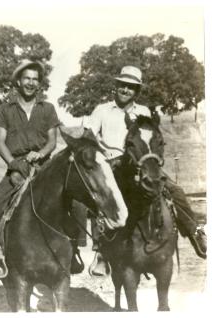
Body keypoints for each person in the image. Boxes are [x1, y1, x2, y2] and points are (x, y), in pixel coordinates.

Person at [84, 65, 207, 276]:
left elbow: (154, 140)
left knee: (174, 190)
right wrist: (103, 153)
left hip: (141, 164)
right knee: (103, 199)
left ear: (137, 91)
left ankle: (195, 232)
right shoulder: (102, 110)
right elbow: (88, 137)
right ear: (116, 87)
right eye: (122, 85)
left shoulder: (143, 112)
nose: (125, 90)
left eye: (131, 87)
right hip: (112, 164)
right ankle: (102, 252)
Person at [0, 59, 61, 279]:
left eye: (35, 79)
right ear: (18, 81)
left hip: (44, 166)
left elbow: (52, 141)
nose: (31, 83)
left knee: (71, 203)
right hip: (16, 164)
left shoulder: (48, 108)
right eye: (27, 78)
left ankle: (73, 254)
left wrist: (42, 154)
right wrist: (13, 164)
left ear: (39, 84)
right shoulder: (4, 110)